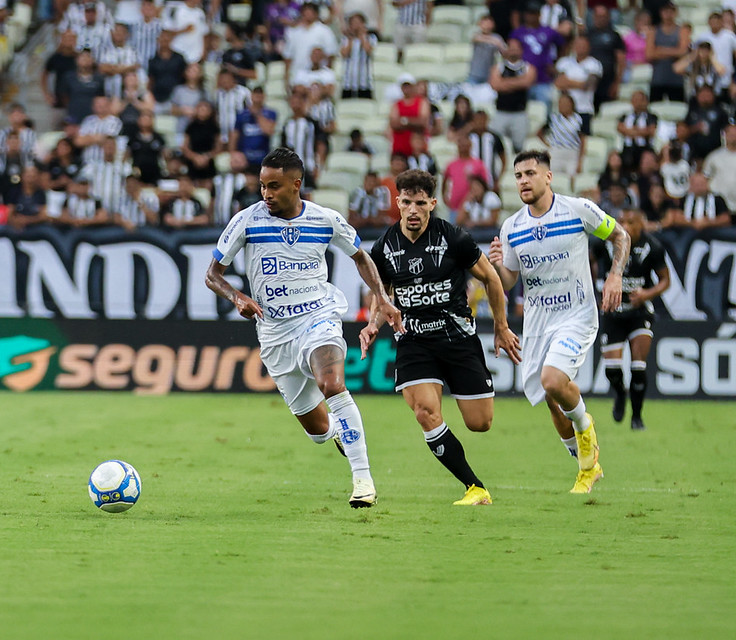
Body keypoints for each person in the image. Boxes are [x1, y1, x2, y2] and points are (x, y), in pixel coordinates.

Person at [205, 147, 404, 508]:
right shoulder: (246, 221)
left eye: (274, 186)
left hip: (318, 316)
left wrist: (382, 298)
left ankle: (363, 480)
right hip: (274, 332)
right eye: (263, 186)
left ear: (296, 185)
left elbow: (361, 257)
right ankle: (339, 434)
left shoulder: (325, 219)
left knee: (332, 384)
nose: (266, 194)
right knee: (318, 432)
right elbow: (212, 274)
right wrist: (237, 297)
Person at [358, 169, 520, 505]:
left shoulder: (453, 238)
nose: (413, 209)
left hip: (457, 338)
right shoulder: (385, 246)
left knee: (480, 423)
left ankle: (474, 482)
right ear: (397, 202)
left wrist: (502, 328)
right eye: (406, 202)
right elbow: (381, 292)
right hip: (414, 341)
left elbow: (491, 279)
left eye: (420, 203)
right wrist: (374, 323)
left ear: (433, 203)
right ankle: (474, 487)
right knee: (425, 412)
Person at [489, 149, 630, 494]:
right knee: (549, 399)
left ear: (548, 177)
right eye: (518, 175)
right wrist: (496, 266)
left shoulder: (577, 209)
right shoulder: (512, 227)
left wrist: (615, 276)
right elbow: (509, 280)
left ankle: (585, 426)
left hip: (576, 315)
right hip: (538, 324)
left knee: (553, 381)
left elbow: (621, 236)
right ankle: (586, 466)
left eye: (530, 173)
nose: (523, 181)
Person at [591, 208, 670, 431]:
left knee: (638, 366)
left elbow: (665, 280)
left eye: (631, 222)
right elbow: (585, 262)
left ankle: (637, 417)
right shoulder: (603, 244)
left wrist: (646, 294)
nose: (625, 225)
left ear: (641, 224)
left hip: (639, 312)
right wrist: (593, 292)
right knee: (613, 371)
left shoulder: (652, 247)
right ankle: (619, 394)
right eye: (622, 221)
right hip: (612, 312)